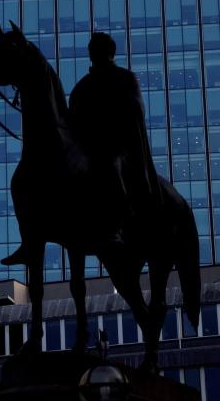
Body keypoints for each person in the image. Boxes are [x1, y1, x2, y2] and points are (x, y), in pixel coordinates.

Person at [68, 32, 159, 244]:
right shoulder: (82, 87)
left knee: (111, 165)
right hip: (89, 150)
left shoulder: (124, 78)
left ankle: (116, 223)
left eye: (100, 50)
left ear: (109, 52)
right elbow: (72, 119)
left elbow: (135, 109)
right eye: (93, 50)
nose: (96, 54)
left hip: (120, 147)